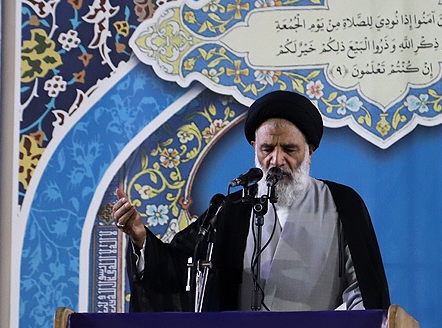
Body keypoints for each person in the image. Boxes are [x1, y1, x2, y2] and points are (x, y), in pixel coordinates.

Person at [112, 90, 390, 312]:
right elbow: (182, 269)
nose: (276, 160)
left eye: (289, 149)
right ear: (254, 148)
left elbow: (363, 292)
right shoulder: (231, 209)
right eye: (267, 149)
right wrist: (140, 237)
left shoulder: (342, 204)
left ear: (310, 150)